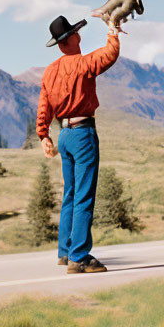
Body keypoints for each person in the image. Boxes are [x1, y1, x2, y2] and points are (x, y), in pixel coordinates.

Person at [36, 14, 120, 274]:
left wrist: (44, 135)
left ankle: (65, 251)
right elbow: (109, 54)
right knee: (84, 195)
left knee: (70, 195)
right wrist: (113, 30)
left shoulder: (50, 71)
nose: (79, 35)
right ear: (73, 39)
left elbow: (44, 106)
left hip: (63, 135)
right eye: (76, 32)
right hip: (83, 134)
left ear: (59, 44)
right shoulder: (83, 64)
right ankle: (79, 257)